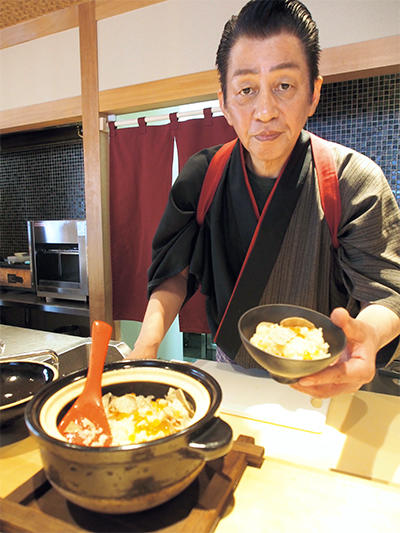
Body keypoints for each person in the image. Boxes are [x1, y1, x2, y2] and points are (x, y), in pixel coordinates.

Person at [128, 0, 400, 399]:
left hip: (329, 377)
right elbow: (175, 271)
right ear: (224, 100)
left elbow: (386, 294)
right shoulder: (203, 176)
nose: (265, 111)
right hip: (232, 373)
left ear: (312, 94)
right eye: (246, 90)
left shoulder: (351, 180)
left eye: (284, 86)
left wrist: (368, 336)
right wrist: (146, 346)